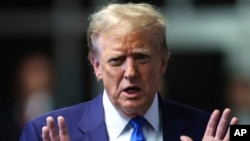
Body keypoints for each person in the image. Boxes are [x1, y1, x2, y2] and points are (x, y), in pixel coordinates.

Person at [20, 3, 238, 141]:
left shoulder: (218, 132)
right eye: (116, 60)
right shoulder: (42, 133)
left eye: (142, 57)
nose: (131, 72)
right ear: (97, 66)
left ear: (163, 62)